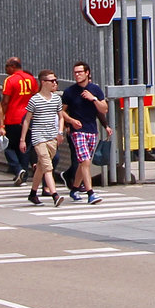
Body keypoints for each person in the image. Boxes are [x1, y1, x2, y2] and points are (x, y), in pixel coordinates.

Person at [61, 60, 109, 204]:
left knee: (84, 164)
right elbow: (61, 112)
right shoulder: (69, 92)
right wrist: (70, 121)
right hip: (78, 131)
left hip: (92, 130)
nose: (77, 75)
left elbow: (104, 109)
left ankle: (74, 188)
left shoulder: (95, 89)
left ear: (87, 73)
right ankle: (90, 193)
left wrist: (93, 98)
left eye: (80, 72)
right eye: (75, 72)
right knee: (85, 161)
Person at [18, 69, 67, 206]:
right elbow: (27, 120)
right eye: (52, 81)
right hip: (38, 138)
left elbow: (61, 117)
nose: (54, 83)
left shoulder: (57, 98)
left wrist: (60, 132)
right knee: (47, 166)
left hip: (52, 137)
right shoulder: (34, 99)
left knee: (41, 166)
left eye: (55, 80)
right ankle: (54, 194)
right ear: (43, 82)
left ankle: (33, 194)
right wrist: (23, 140)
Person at [0, 56, 37, 183]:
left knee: (8, 146)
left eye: (7, 66)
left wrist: (1, 118)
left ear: (13, 66)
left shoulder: (10, 80)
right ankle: (24, 173)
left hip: (13, 118)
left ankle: (17, 169)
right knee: (25, 146)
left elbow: (5, 101)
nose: (5, 69)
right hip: (28, 117)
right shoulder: (31, 79)